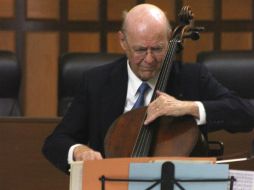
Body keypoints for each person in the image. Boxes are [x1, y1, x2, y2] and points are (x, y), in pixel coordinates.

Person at [42, 3, 254, 174]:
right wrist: (79, 151)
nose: (149, 59)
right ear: (123, 41)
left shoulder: (192, 77)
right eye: (141, 50)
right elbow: (56, 142)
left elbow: (246, 113)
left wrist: (190, 108)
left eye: (158, 49)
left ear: (170, 39)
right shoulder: (96, 81)